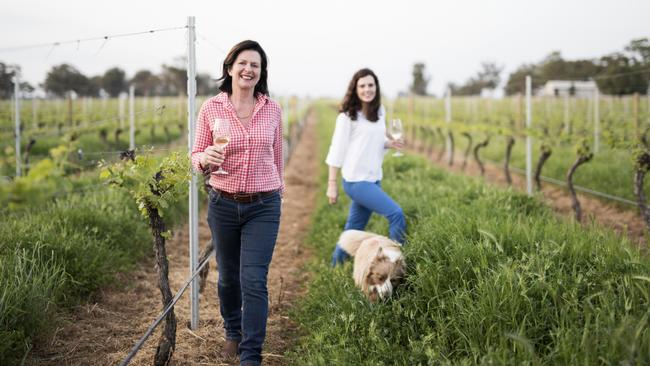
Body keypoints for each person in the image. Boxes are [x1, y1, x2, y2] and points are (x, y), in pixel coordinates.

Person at [191, 40, 283, 366]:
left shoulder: (272, 109)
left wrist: (278, 190)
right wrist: (205, 157)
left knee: (254, 280)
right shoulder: (212, 109)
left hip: (264, 205)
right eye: (243, 63)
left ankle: (250, 355)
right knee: (228, 278)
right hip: (223, 204)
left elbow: (277, 156)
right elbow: (195, 155)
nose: (248, 69)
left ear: (261, 73)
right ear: (230, 68)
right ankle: (233, 329)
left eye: (255, 65)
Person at [325, 68, 407, 266]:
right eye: (362, 86)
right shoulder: (347, 117)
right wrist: (332, 184)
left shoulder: (379, 111)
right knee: (396, 215)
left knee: (354, 227)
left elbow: (376, 140)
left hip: (373, 178)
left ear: (376, 87)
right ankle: (396, 264)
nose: (367, 89)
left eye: (371, 85)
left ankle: (335, 265)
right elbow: (337, 150)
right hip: (356, 181)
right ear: (355, 89)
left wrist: (390, 143)